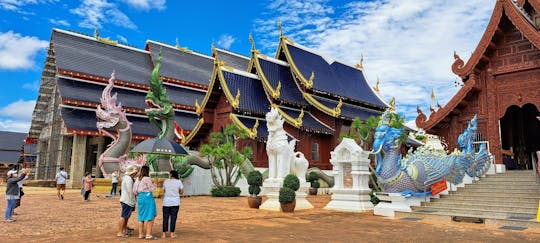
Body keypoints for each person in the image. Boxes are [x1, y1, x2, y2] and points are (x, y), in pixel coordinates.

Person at [133, 165, 157, 240]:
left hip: (140, 198)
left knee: (141, 216)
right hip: (148, 198)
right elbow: (152, 189)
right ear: (147, 171)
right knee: (150, 215)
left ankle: (141, 234)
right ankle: (148, 235)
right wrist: (155, 183)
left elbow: (134, 191)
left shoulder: (137, 179)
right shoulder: (147, 178)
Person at [117, 165, 140, 238]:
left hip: (127, 200)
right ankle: (120, 232)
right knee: (124, 216)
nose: (135, 174)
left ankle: (124, 230)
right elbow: (130, 191)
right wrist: (133, 201)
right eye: (135, 172)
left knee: (126, 216)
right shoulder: (129, 179)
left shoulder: (128, 178)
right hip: (127, 200)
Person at [161, 170, 184, 238]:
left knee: (165, 218)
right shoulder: (179, 182)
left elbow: (164, 190)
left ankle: (164, 234)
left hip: (166, 202)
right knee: (173, 218)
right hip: (175, 202)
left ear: (171, 174)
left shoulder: (166, 181)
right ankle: (172, 233)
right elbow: (181, 192)